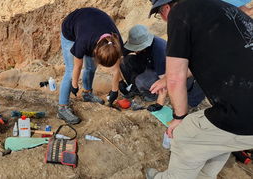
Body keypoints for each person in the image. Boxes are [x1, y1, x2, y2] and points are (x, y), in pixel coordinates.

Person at [145, 0, 253, 178]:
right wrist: (168, 77)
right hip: (245, 107)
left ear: (166, 7)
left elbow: (175, 78)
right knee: (220, 138)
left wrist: (179, 118)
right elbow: (217, 57)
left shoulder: (180, 12)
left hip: (244, 112)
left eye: (160, 14)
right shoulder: (222, 7)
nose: (164, 19)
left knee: (184, 135)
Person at [59, 8, 125, 124]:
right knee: (70, 72)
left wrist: (115, 89)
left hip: (91, 25)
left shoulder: (115, 42)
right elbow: (77, 67)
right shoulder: (83, 42)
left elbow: (116, 69)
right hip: (70, 29)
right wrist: (74, 85)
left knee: (91, 68)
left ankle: (87, 93)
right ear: (95, 52)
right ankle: (62, 108)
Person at [119, 25, 205, 111]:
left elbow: (165, 81)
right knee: (126, 61)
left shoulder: (159, 52)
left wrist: (159, 104)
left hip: (173, 74)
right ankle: (133, 88)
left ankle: (152, 95)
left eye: (137, 48)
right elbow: (121, 54)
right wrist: (119, 81)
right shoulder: (137, 39)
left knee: (141, 81)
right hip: (151, 64)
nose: (135, 50)